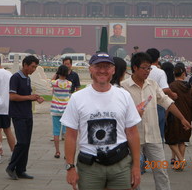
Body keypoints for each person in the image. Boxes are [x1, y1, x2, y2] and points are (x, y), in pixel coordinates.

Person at [60, 52, 141, 190]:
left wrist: (136, 166)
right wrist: (70, 167)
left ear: (113, 70)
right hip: (90, 167)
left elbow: (132, 133)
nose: (102, 70)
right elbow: (71, 136)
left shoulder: (124, 96)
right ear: (90, 68)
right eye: (98, 66)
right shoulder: (77, 98)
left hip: (120, 164)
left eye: (107, 66)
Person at [121, 52, 192, 190]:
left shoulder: (152, 85)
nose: (147, 71)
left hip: (153, 137)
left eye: (149, 68)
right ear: (134, 68)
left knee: (161, 172)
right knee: (134, 174)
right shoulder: (124, 87)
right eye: (145, 68)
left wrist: (182, 118)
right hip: (133, 137)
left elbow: (167, 102)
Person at [6, 55, 44, 180]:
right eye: (32, 67)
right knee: (21, 142)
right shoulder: (15, 77)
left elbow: (25, 95)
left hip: (27, 114)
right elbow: (12, 96)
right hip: (18, 115)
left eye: (35, 67)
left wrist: (35, 97)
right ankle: (11, 167)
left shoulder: (27, 78)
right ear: (25, 65)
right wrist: (29, 97)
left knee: (26, 143)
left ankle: (21, 169)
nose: (34, 69)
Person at [146, 48, 178, 141]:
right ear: (158, 58)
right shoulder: (160, 72)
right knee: (158, 135)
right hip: (157, 105)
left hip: (143, 104)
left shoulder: (141, 70)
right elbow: (165, 89)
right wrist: (173, 95)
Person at [164, 65, 192, 169]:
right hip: (187, 114)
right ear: (183, 74)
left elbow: (167, 102)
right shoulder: (189, 87)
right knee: (182, 140)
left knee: (171, 140)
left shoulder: (172, 86)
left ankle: (181, 160)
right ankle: (181, 162)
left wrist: (165, 116)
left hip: (174, 116)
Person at [50, 65, 72, 159]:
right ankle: (66, 153)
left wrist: (56, 73)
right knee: (67, 133)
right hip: (66, 110)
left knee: (56, 132)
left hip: (55, 110)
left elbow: (51, 80)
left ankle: (57, 151)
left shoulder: (54, 83)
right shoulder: (69, 84)